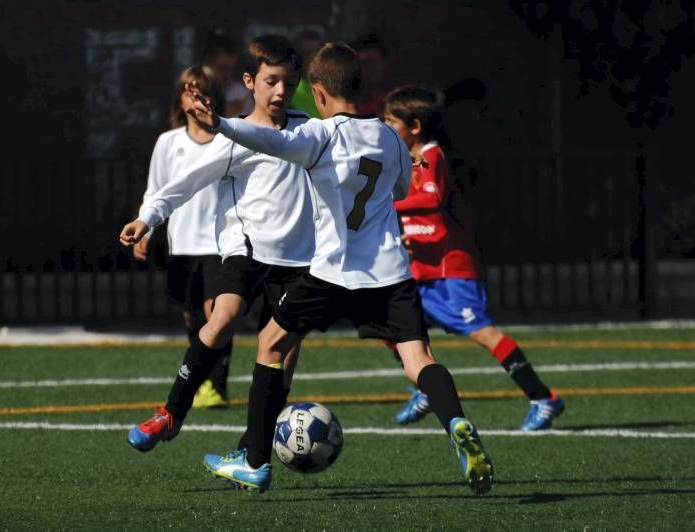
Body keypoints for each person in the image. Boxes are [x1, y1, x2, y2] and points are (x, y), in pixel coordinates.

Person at [191, 42, 494, 495]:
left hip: (331, 271)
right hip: (390, 274)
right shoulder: (390, 136)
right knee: (419, 361)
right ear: (361, 87)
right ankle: (456, 423)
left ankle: (254, 462)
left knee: (272, 344)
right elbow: (398, 190)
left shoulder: (321, 134)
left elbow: (273, 140)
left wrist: (221, 124)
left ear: (317, 93)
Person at [120, 34, 314, 453]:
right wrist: (147, 218)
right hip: (245, 250)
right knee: (222, 316)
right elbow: (186, 182)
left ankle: (251, 446)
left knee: (282, 351)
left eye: (288, 82)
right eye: (271, 81)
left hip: (299, 260)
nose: (280, 91)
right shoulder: (237, 135)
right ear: (249, 81)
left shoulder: (311, 133)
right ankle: (171, 413)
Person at [382, 85, 565, 431]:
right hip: (421, 267)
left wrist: (387, 203)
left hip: (451, 267)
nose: (385, 128)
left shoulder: (433, 156)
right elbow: (420, 217)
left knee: (484, 333)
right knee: (390, 325)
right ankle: (424, 387)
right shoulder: (406, 162)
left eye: (391, 122)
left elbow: (432, 201)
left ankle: (543, 397)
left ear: (415, 126)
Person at [133, 65, 231, 412]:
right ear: (180, 97)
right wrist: (147, 227)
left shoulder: (230, 140)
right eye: (190, 91)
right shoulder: (168, 143)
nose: (196, 97)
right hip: (183, 246)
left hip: (220, 245)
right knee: (193, 318)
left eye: (203, 91)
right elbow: (156, 190)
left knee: (217, 316)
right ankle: (203, 379)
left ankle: (216, 386)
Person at [200, 31, 254, 117]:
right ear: (206, 63)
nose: (228, 75)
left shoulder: (240, 93)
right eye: (222, 69)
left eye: (231, 69)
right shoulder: (192, 90)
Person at [290, 28, 324, 118]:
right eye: (305, 54)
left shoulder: (332, 88)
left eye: (315, 54)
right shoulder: (288, 91)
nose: (310, 59)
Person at [354, 33, 390, 116]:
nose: (369, 68)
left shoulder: (394, 97)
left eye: (372, 62)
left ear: (384, 63)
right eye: (364, 63)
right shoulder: (350, 98)